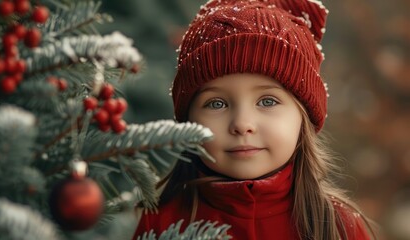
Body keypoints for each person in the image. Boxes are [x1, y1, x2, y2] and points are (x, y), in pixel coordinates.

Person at [133, 0, 376, 239]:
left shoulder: (340, 228)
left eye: (267, 101)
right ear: (188, 122)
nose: (242, 124)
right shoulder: (159, 224)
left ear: (304, 117)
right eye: (217, 103)